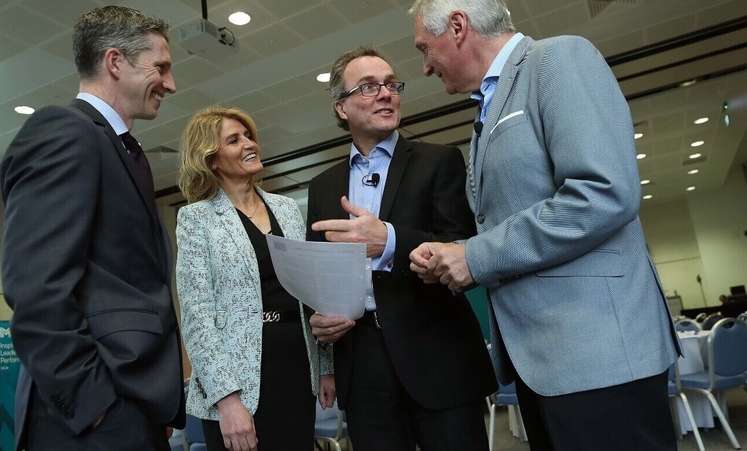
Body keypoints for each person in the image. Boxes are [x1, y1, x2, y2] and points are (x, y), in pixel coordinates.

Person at [407, 1, 682, 450]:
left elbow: (603, 192)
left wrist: (476, 256)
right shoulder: (489, 107)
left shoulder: (557, 59)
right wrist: (453, 252)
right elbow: (516, 214)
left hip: (597, 354)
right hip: (543, 363)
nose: (424, 67)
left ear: (458, 27)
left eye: (425, 48)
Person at [0, 6, 184, 451]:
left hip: (134, 406)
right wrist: (95, 406)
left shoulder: (121, 147)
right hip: (91, 422)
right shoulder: (65, 131)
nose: (171, 83)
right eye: (160, 67)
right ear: (115, 62)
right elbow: (36, 289)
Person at [306, 45, 496, 451]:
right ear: (342, 108)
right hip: (361, 361)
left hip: (435, 351)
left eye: (392, 84)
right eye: (369, 86)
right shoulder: (322, 187)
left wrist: (388, 241)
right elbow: (317, 272)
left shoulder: (439, 161)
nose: (387, 93)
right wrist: (319, 322)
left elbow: (461, 245)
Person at [175, 106, 336, 451]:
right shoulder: (196, 219)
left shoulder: (287, 209)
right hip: (237, 383)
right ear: (212, 159)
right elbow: (197, 317)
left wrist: (325, 365)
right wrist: (227, 400)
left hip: (295, 364)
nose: (250, 144)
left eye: (249, 136)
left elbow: (310, 294)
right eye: (234, 140)